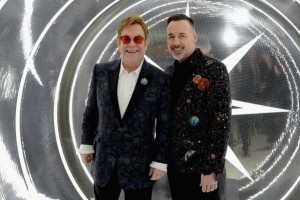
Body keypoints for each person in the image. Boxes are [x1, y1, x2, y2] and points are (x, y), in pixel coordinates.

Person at [78, 15, 171, 200]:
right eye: (126, 39)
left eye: (137, 39)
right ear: (118, 42)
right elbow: (91, 111)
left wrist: (160, 160)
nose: (131, 45)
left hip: (140, 166)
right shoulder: (101, 72)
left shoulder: (160, 80)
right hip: (105, 163)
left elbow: (165, 124)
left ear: (146, 43)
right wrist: (86, 144)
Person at [165, 14, 231, 200]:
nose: (176, 41)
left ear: (194, 37)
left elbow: (221, 122)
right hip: (175, 166)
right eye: (171, 36)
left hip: (202, 170)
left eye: (181, 35)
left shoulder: (214, 69)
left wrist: (211, 169)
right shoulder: (168, 73)